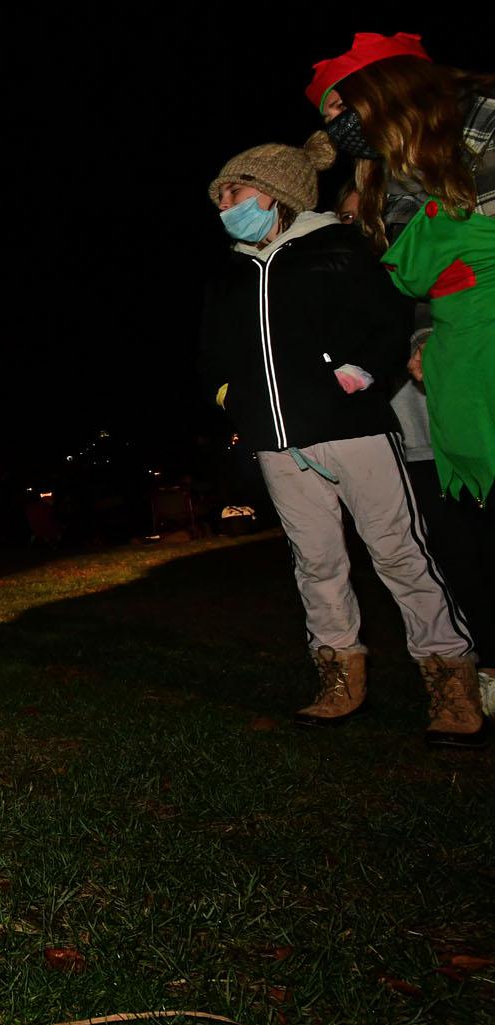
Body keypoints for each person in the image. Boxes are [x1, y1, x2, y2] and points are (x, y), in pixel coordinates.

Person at [198, 133, 483, 746]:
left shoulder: (341, 250)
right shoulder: (231, 274)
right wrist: (231, 397)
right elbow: (213, 353)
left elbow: (388, 320)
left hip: (352, 431)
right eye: (220, 194)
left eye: (236, 190)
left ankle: (451, 683)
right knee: (316, 563)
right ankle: (338, 677)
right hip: (277, 442)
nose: (225, 202)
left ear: (276, 196)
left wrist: (359, 371)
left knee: (400, 555)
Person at [306, 33, 494, 738]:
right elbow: (409, 278)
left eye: (337, 104)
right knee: (468, 511)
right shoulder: (383, 173)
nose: (334, 123)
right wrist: (419, 337)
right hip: (457, 357)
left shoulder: (482, 116)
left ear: (381, 85)